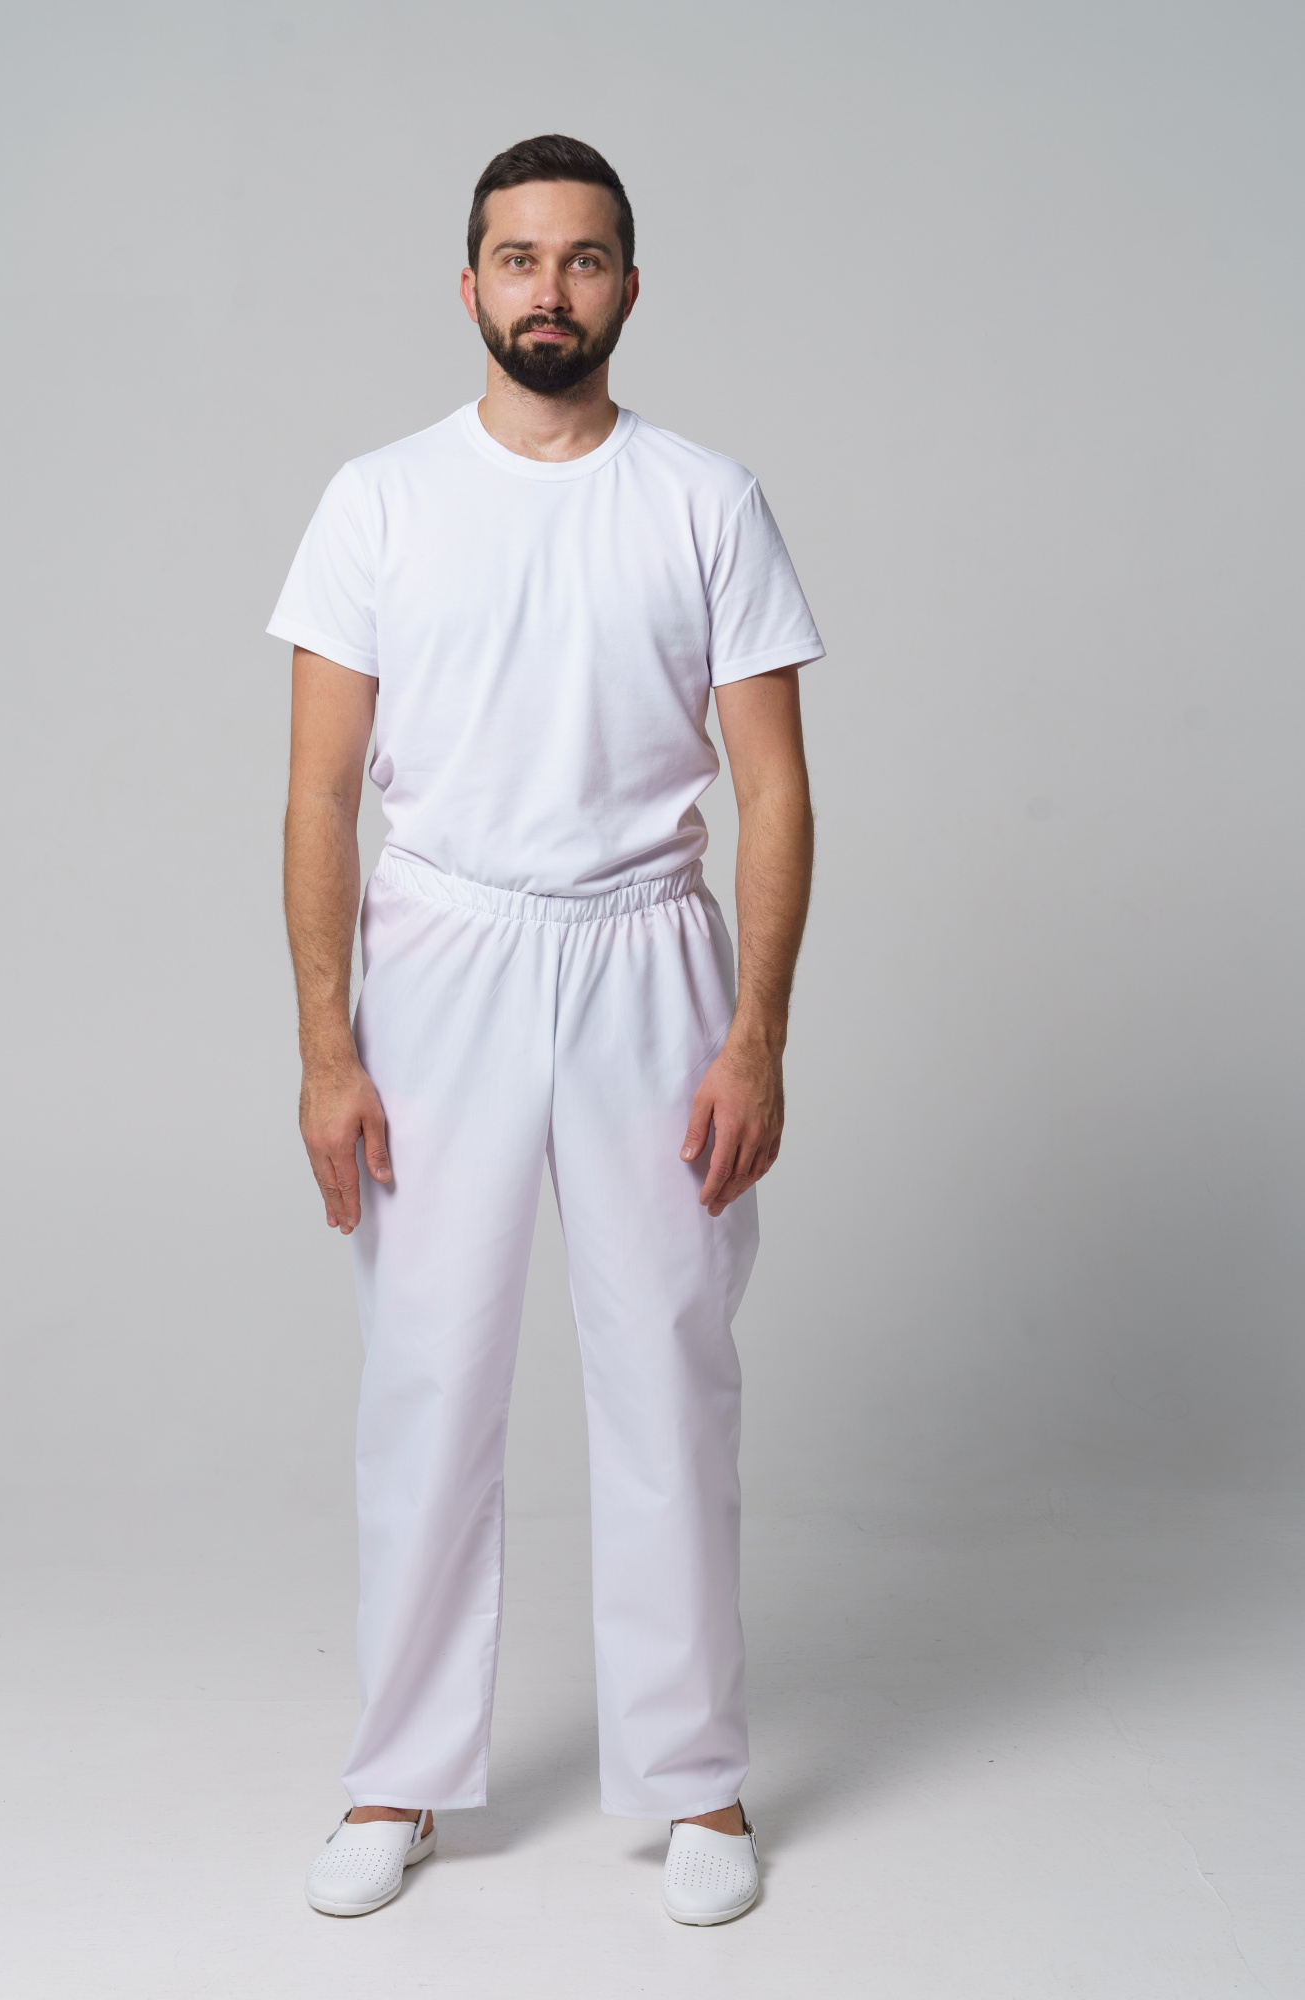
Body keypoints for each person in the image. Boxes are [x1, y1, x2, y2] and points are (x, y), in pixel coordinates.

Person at [269, 133, 823, 1927]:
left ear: (628, 288)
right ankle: (399, 1775)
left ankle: (696, 1777)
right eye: (518, 258)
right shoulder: (378, 501)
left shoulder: (706, 499)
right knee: (430, 1372)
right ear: (470, 286)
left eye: (583, 260)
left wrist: (755, 1036)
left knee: (668, 1361)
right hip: (443, 956)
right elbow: (320, 794)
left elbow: (774, 790)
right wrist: (328, 1051)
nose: (549, 290)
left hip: (647, 954)